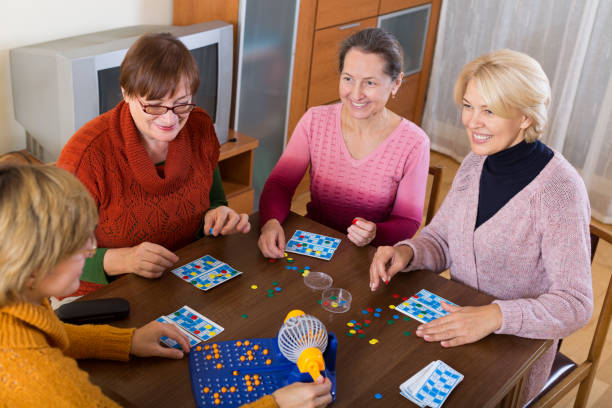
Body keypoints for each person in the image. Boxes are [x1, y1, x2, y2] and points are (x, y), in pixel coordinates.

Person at [0, 164, 332, 408]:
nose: (91, 248)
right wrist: (275, 404)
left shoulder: (19, 298)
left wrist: (127, 340)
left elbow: (51, 332)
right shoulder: (47, 385)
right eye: (77, 243)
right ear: (29, 267)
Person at [369, 49, 593, 404]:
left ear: (524, 116)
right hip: (456, 326)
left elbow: (575, 304)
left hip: (514, 356)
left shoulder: (560, 191)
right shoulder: (475, 162)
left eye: (489, 110)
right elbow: (442, 239)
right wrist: (407, 251)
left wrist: (493, 316)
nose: (472, 122)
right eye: (468, 106)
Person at [57, 33, 250, 294]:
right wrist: (124, 259)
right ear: (126, 93)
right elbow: (55, 255)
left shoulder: (199, 127)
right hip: (108, 292)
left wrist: (217, 215)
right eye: (154, 106)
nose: (169, 119)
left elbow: (214, 200)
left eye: (181, 104)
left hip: (185, 274)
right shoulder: (86, 156)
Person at [258, 28, 430, 258]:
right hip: (313, 246)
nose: (356, 94)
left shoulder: (414, 142)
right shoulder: (315, 120)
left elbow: (407, 220)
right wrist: (270, 222)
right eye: (348, 79)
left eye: (369, 83)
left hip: (370, 258)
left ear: (396, 83)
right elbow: (280, 184)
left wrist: (374, 233)